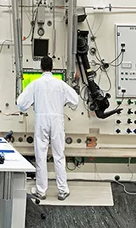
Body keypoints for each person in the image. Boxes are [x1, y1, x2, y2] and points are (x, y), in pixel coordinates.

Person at [17, 57, 80, 200]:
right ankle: (63, 190)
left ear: (41, 68)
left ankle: (41, 191)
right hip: (57, 120)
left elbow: (20, 103)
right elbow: (75, 100)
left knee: (41, 156)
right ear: (52, 68)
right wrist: (63, 102)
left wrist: (31, 104)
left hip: (41, 121)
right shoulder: (60, 84)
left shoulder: (35, 84)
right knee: (59, 156)